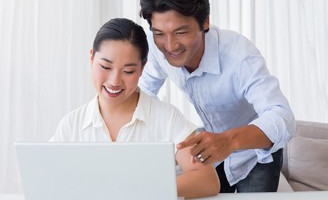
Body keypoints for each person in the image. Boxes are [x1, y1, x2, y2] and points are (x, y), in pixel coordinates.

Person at [138, 0, 296, 193]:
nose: (170, 46)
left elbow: (282, 116)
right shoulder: (157, 48)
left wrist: (230, 140)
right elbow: (143, 96)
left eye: (181, 32)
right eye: (160, 33)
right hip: (210, 149)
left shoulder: (240, 56)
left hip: (254, 153)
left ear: (205, 21)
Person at [50, 18, 220, 198]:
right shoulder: (72, 124)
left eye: (128, 71)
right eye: (105, 67)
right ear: (91, 58)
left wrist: (138, 190)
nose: (115, 81)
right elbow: (49, 179)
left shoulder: (166, 118)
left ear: (142, 68)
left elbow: (207, 181)